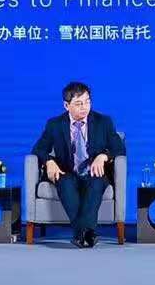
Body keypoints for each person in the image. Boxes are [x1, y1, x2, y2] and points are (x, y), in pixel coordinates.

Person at [31, 81, 126, 248]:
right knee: (65, 182)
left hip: (95, 173)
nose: (84, 107)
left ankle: (80, 234)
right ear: (66, 105)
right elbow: (39, 149)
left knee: (96, 182)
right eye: (78, 103)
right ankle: (87, 234)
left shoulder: (104, 122)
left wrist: (104, 156)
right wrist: (49, 161)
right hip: (67, 172)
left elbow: (119, 147)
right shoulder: (55, 124)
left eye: (87, 102)